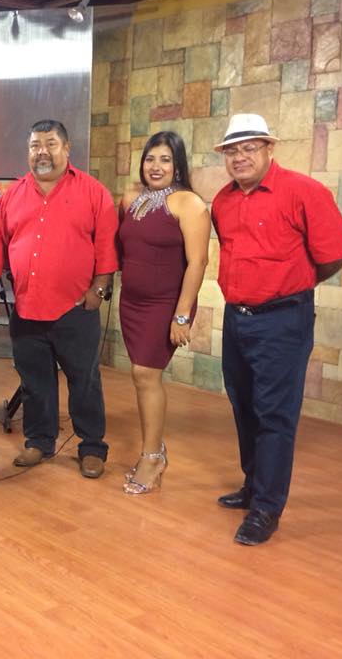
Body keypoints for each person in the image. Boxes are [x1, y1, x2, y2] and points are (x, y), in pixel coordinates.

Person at [212, 114, 342, 546]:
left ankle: (267, 509)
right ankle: (254, 485)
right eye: (232, 151)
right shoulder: (222, 201)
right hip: (237, 318)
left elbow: (333, 254)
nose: (240, 157)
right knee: (243, 405)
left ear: (269, 149)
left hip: (283, 320)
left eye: (249, 148)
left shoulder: (304, 192)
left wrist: (290, 287)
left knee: (274, 413)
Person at [0, 119, 118, 478]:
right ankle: (39, 441)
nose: (42, 152)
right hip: (27, 307)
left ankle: (92, 447)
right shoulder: (12, 194)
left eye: (50, 144)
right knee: (34, 381)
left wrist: (98, 291)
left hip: (76, 308)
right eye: (35, 146)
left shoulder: (94, 192)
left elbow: (106, 247)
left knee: (84, 381)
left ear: (67, 149)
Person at [118, 131, 209, 494]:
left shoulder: (190, 203)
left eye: (166, 160)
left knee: (145, 374)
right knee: (141, 376)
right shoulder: (130, 199)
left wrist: (182, 315)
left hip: (166, 304)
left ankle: (153, 456)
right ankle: (154, 451)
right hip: (132, 303)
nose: (156, 166)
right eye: (150, 159)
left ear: (178, 165)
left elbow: (198, 262)